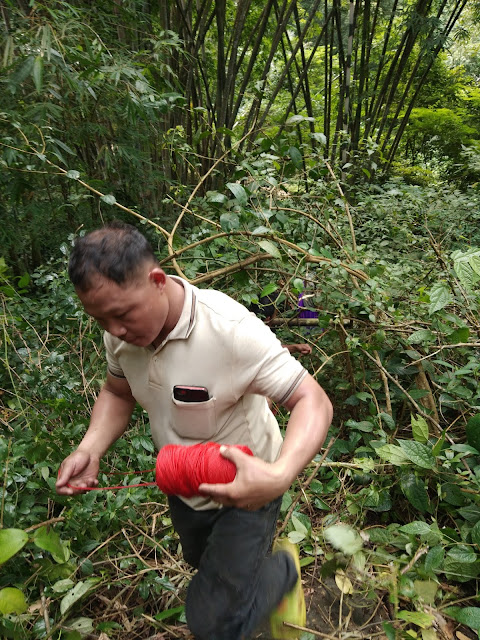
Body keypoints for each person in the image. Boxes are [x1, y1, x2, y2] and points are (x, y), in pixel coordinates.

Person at [55, 222, 333, 640]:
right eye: (100, 319)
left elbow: (313, 400)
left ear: (157, 281)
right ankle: (259, 580)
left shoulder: (230, 330)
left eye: (122, 314)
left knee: (214, 622)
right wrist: (90, 448)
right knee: (204, 563)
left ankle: (282, 574)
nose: (114, 330)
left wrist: (278, 476)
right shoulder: (121, 336)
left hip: (250, 486)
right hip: (184, 482)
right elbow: (117, 392)